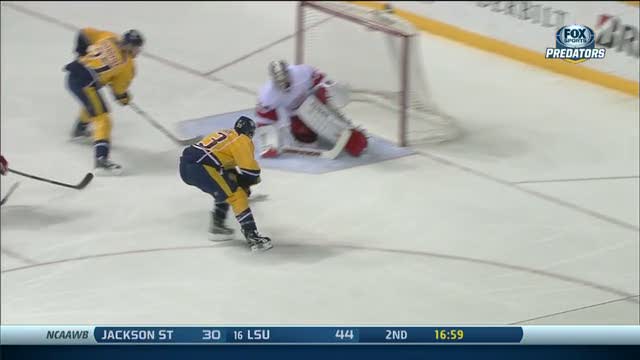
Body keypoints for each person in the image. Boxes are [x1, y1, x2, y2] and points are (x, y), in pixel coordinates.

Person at [179, 116, 272, 252]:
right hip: (201, 167)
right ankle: (253, 237)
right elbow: (251, 172)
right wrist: (247, 184)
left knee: (226, 187)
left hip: (187, 166)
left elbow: (223, 162)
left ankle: (217, 227)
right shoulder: (242, 139)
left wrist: (239, 180)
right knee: (236, 194)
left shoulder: (225, 133)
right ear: (250, 133)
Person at [64, 28, 144, 175]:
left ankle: (79, 130)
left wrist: (81, 54)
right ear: (131, 47)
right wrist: (124, 98)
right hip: (86, 84)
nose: (138, 51)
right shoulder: (128, 65)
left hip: (73, 74)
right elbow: (119, 91)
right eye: (137, 47)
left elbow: (84, 33)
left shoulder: (109, 37)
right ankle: (101, 160)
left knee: (93, 105)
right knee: (103, 119)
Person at [255, 60, 368, 158]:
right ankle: (318, 130)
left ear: (288, 73)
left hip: (315, 101)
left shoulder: (301, 73)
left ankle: (348, 132)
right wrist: (270, 143)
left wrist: (330, 91)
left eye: (285, 80)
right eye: (280, 82)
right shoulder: (268, 96)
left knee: (318, 110)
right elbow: (264, 121)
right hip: (295, 114)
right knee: (308, 141)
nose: (284, 85)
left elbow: (324, 82)